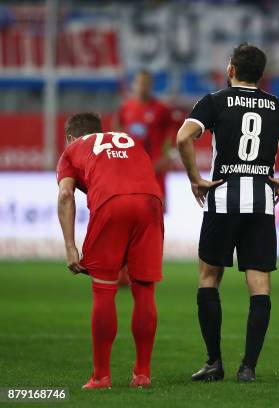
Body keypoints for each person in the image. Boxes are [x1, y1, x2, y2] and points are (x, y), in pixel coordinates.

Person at [176, 43, 279, 383]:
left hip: (223, 200)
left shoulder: (214, 101)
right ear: (262, 75)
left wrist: (195, 179)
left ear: (231, 70)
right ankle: (248, 368)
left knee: (208, 278)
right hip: (261, 204)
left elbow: (183, 138)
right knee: (259, 285)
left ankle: (214, 362)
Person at [56, 113, 164, 389]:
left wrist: (70, 247)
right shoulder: (127, 139)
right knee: (144, 289)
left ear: (70, 137)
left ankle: (101, 377)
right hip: (151, 203)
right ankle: (142, 374)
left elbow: (66, 195)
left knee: (104, 289)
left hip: (111, 204)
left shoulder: (71, 150)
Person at [117, 69, 175, 203]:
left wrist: (168, 156)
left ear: (151, 85)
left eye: (146, 83)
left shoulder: (161, 109)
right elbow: (117, 133)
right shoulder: (125, 108)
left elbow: (173, 134)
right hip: (132, 169)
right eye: (139, 83)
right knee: (131, 208)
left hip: (155, 169)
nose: (142, 87)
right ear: (134, 84)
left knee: (158, 210)